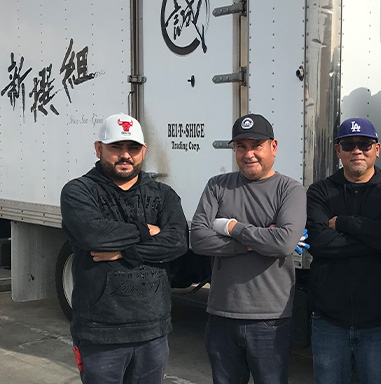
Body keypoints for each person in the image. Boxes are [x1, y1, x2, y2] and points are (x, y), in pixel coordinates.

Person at [60, 113, 188, 384]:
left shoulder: (163, 195)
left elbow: (177, 242)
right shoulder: (78, 191)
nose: (125, 155)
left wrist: (122, 251)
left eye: (132, 148)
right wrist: (146, 231)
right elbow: (93, 235)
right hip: (100, 333)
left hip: (153, 331)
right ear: (98, 149)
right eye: (116, 147)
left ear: (143, 151)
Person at [190, 113, 306, 384]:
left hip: (270, 319)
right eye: (241, 146)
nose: (248, 153)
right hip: (221, 315)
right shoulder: (218, 185)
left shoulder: (290, 190)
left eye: (257, 145)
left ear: (273, 147)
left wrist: (232, 227)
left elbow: (285, 241)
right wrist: (254, 244)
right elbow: (197, 239)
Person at [306, 117, 381, 384]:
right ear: (337, 150)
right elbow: (319, 243)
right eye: (349, 144)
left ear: (377, 149)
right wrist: (375, 239)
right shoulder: (320, 192)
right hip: (330, 322)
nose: (357, 150)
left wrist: (343, 222)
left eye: (364, 144)